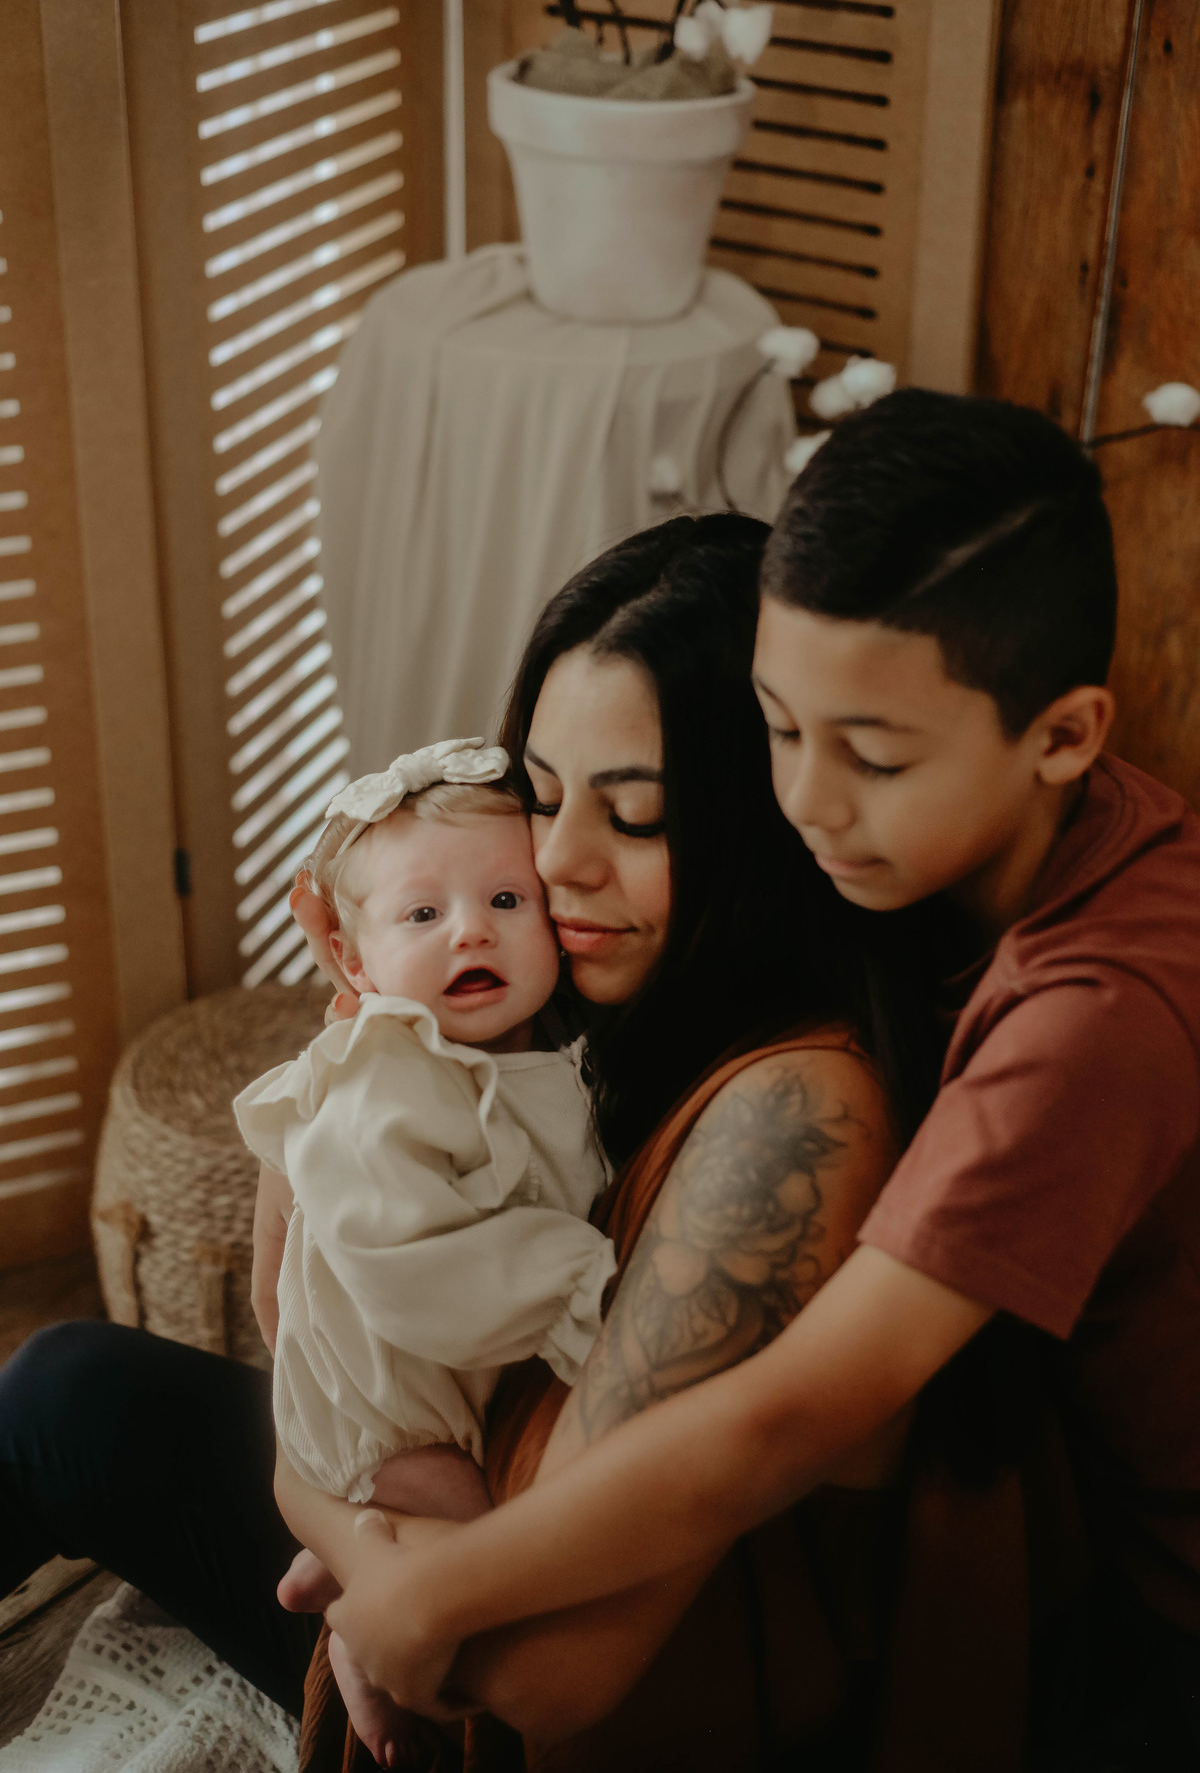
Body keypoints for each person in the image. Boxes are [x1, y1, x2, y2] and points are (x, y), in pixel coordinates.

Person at [303, 393, 1200, 1769]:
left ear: (1066, 735)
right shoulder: (938, 837)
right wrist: (349, 1520)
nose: (809, 802)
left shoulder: (1084, 1015)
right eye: (779, 729)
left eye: (872, 757)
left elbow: (786, 1417)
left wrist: (416, 1590)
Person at [0, 514, 940, 1759]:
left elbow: (534, 1669)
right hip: (422, 1505)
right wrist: (358, 1012)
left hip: (490, 1691)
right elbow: (293, 1302)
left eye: (638, 816)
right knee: (64, 1381)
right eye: (540, 799)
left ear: (762, 821)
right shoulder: (590, 1004)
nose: (561, 863)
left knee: (62, 1400)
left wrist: (363, 1568)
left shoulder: (791, 1119)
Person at [235, 739, 615, 1758]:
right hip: (390, 1421)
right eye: (421, 915)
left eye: (507, 900)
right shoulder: (387, 1077)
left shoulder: (530, 1056)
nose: (470, 931)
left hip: (439, 1398)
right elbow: (407, 1264)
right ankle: (359, 1642)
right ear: (356, 963)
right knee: (472, 1560)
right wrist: (582, 1284)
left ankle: (337, 1573)